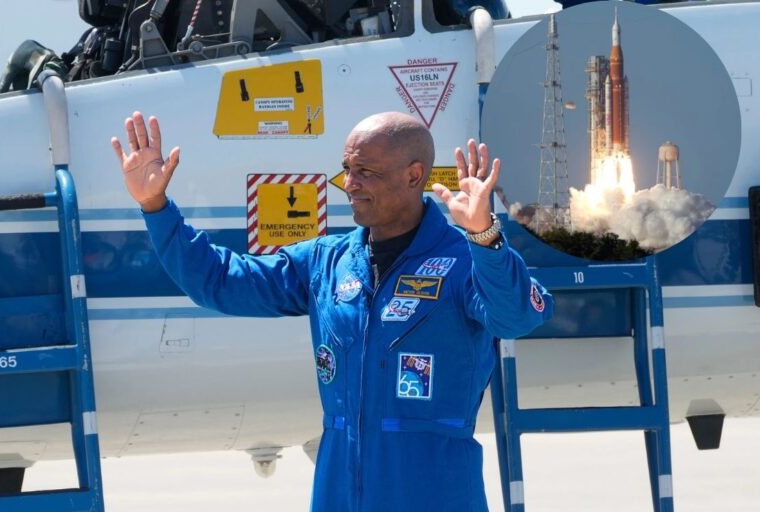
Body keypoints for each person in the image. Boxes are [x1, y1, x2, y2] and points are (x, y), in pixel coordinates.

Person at [111, 111, 553, 511]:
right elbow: (220, 282)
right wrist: (156, 207)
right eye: (347, 169)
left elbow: (515, 317)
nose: (349, 183)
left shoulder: (463, 261)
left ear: (414, 175)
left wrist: (485, 237)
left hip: (434, 492)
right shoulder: (327, 261)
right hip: (338, 494)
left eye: (366, 172)